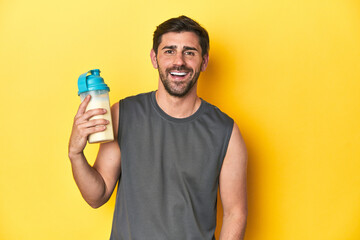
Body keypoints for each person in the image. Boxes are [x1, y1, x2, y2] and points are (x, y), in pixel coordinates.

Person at [68, 15, 247, 240]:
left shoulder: (226, 132)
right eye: (169, 51)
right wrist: (75, 154)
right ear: (154, 58)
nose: (179, 61)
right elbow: (97, 195)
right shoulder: (123, 114)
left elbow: (235, 214)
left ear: (204, 61)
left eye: (189, 52)